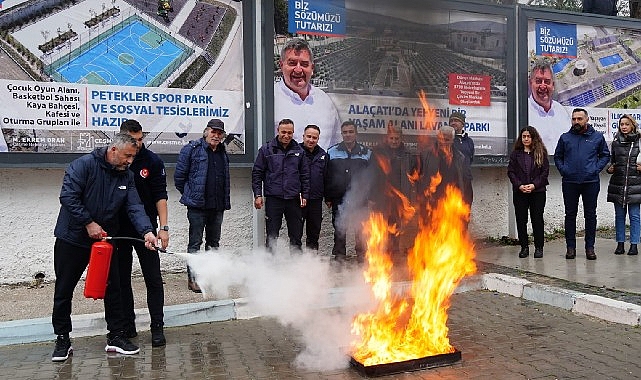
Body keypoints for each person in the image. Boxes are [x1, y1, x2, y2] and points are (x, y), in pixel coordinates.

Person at [51, 133, 157, 362]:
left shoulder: (127, 176)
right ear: (113, 150)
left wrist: (147, 232)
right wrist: (88, 223)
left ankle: (116, 337)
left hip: (105, 240)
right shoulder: (83, 166)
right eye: (127, 156)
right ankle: (62, 339)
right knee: (63, 290)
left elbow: (135, 207)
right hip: (72, 238)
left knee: (114, 288)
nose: (130, 161)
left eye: (133, 156)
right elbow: (68, 197)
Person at [116, 119, 169, 347]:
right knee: (121, 279)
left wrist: (163, 228)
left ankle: (157, 326)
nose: (138, 145)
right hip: (119, 229)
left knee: (153, 279)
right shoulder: (116, 160)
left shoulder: (152, 161)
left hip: (146, 229)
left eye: (140, 140)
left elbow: (160, 195)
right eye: (133, 141)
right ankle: (128, 325)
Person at [175, 119, 231, 293]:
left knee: (213, 244)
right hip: (197, 207)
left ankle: (209, 278)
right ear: (206, 131)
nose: (216, 135)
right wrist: (190, 194)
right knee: (195, 244)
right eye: (213, 132)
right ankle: (194, 280)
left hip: (217, 206)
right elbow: (179, 178)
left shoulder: (222, 152)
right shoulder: (191, 150)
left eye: (219, 133)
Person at [554, 108, 610, 260]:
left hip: (590, 182)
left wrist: (595, 169)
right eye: (574, 119)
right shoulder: (565, 138)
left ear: (587, 119)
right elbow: (558, 157)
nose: (576, 122)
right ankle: (570, 248)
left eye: (579, 119)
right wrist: (564, 170)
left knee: (590, 215)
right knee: (570, 215)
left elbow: (605, 155)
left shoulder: (597, 137)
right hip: (570, 182)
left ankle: (590, 248)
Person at [252, 118, 310, 252]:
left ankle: (296, 266)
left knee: (296, 236)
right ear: (278, 131)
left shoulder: (299, 151)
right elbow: (257, 173)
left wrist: (305, 195)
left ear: (293, 133)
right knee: (272, 236)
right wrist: (258, 195)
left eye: (290, 133)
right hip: (274, 199)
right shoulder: (266, 150)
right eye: (283, 132)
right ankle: (270, 266)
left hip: (294, 200)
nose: (286, 136)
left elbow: (305, 175)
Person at [274, 38, 341, 149]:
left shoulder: (325, 101)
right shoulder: (267, 100)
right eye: (292, 63)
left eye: (304, 64)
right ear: (281, 65)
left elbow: (336, 145)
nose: (298, 70)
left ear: (312, 68)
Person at [369, 125, 421, 256]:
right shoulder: (378, 152)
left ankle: (395, 253)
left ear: (401, 138)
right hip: (381, 198)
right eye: (391, 138)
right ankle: (380, 254)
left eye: (396, 138)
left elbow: (415, 176)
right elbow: (371, 176)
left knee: (397, 227)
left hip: (400, 199)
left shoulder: (408, 154)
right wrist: (371, 197)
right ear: (387, 137)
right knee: (381, 226)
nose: (394, 141)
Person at [325, 120, 372, 263]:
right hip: (339, 198)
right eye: (345, 132)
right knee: (340, 229)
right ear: (341, 134)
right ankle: (339, 258)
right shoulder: (332, 152)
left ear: (356, 133)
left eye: (351, 132)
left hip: (360, 198)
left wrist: (370, 196)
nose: (348, 135)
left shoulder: (366, 153)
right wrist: (328, 196)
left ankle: (362, 257)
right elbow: (326, 175)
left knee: (360, 230)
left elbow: (372, 176)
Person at [507, 126, 550, 259]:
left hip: (537, 192)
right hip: (520, 192)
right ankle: (524, 247)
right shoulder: (516, 154)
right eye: (524, 136)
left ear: (533, 138)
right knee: (521, 220)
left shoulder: (540, 152)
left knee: (537, 219)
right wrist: (519, 185)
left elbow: (544, 173)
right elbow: (511, 172)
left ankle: (539, 247)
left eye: (528, 136)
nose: (526, 139)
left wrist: (534, 185)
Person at [606, 114, 641, 256]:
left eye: (627, 124)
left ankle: (634, 245)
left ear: (632, 125)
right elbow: (612, 162)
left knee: (635, 216)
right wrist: (609, 169)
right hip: (619, 185)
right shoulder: (615, 142)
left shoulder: (639, 142)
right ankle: (620, 244)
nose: (624, 127)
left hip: (635, 186)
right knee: (619, 216)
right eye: (622, 124)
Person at [527, 59, 571, 151]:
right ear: (530, 83)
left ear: (553, 85)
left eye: (547, 82)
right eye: (538, 81)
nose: (543, 86)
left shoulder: (561, 111)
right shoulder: (524, 112)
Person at [300, 124, 327, 252]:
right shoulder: (296, 152)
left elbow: (327, 177)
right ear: (303, 136)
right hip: (298, 201)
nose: (311, 140)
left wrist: (328, 197)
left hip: (316, 201)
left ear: (318, 139)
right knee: (296, 234)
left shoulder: (323, 155)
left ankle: (312, 264)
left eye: (314, 138)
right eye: (309, 136)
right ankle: (295, 264)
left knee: (314, 235)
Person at [449, 111, 474, 205]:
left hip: (466, 181)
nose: (453, 123)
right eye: (451, 121)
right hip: (451, 182)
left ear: (462, 124)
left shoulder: (469, 141)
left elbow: (470, 159)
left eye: (456, 120)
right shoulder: (447, 141)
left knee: (466, 209)